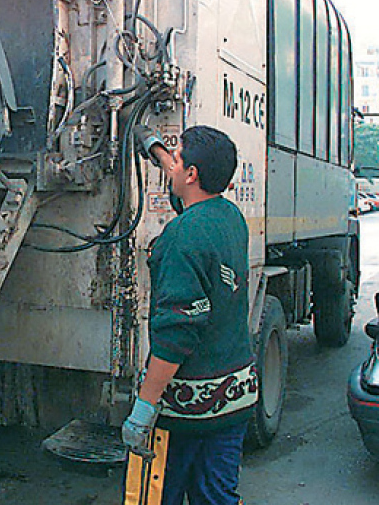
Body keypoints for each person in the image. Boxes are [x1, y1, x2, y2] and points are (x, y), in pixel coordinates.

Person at [123, 124, 257, 505]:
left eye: (178, 158)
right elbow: (190, 200)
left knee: (152, 498)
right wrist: (159, 153)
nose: (174, 164)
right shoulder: (230, 217)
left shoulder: (181, 237)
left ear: (193, 173)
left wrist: (145, 407)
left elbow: (176, 335)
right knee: (216, 497)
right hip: (235, 401)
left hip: (184, 414)